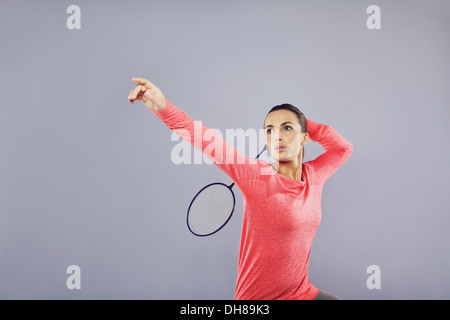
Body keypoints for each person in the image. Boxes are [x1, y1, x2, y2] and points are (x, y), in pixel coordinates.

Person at [127, 77, 353, 300]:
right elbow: (204, 138)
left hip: (302, 293)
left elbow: (343, 149)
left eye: (286, 128)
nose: (277, 136)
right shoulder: (258, 176)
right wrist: (162, 107)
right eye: (270, 130)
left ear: (305, 138)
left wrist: (304, 122)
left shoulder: (314, 175)